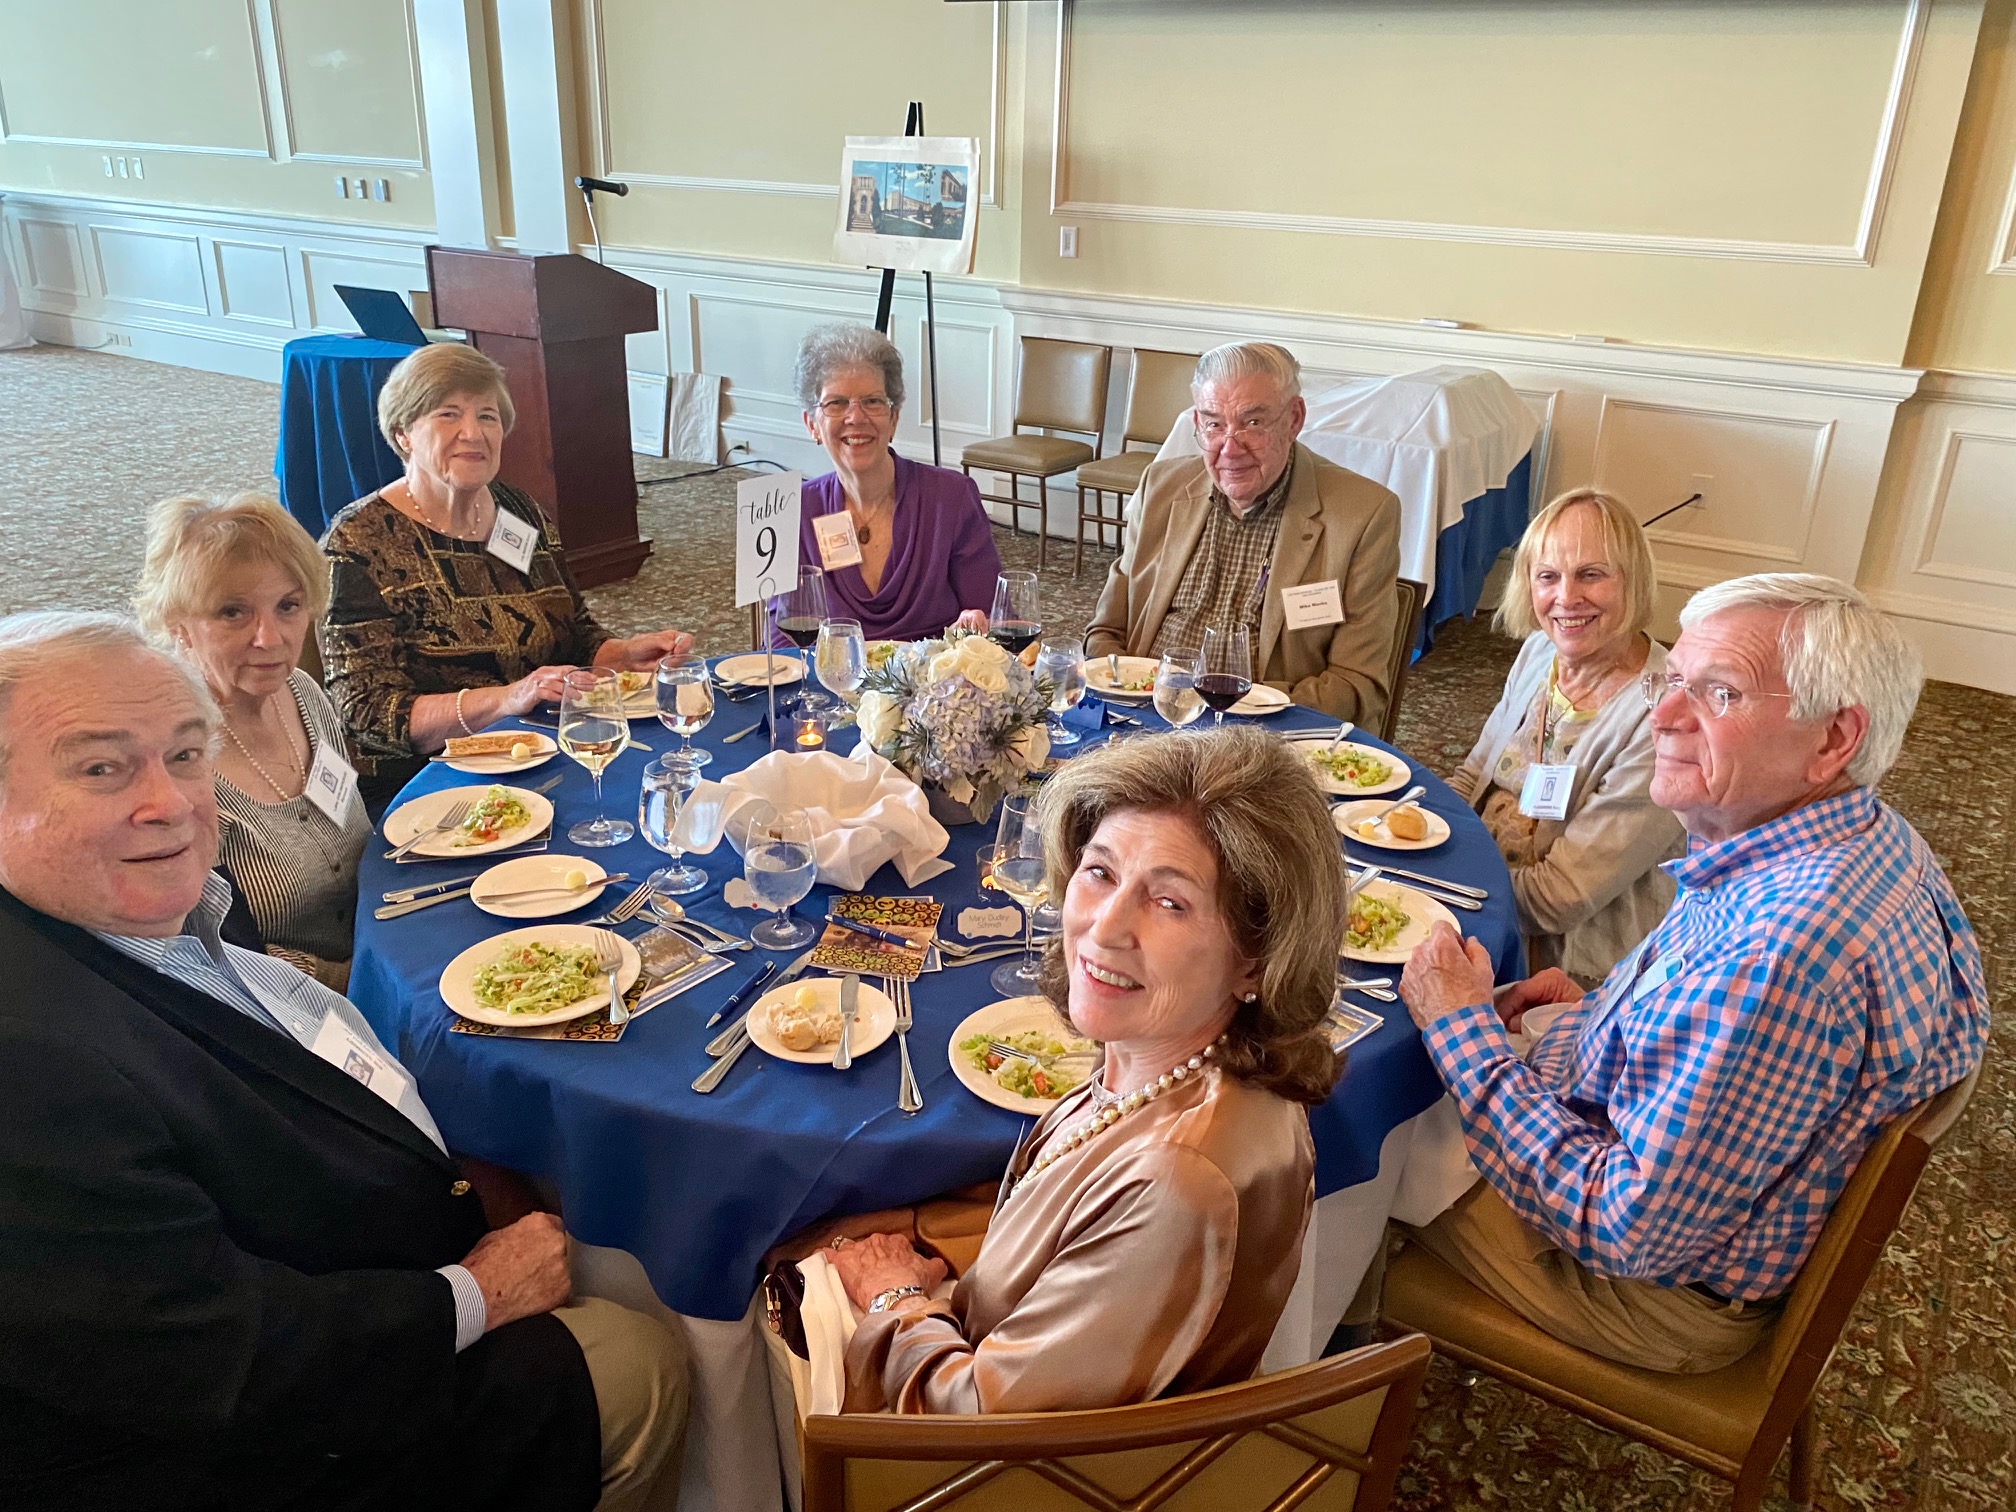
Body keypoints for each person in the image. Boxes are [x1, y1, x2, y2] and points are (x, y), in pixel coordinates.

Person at [0, 612, 688, 1511]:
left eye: (183, 755)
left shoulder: (151, 906)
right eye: (101, 767)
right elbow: (220, 1360)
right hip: (280, 1443)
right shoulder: (32, 1066)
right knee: (647, 1358)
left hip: (353, 1270)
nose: (167, 803)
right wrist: (474, 1293)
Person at [1398, 574, 1988, 1374]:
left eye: (1719, 694)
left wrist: (1461, 1032)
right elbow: (1719, 1042)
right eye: (1675, 681)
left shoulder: (1782, 957)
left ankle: (1308, 1396)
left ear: (1834, 739)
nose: (1664, 718)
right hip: (1695, 1192)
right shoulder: (1860, 836)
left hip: (1645, 1292)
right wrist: (1600, 1010)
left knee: (1331, 1138)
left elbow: (1623, 1225)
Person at [829, 727, 1344, 1412]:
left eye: (1170, 902)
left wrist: (893, 1300)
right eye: (1099, 872)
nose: (1103, 928)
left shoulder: (1179, 1179)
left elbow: (976, 1424)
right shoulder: (1188, 1063)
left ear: (1256, 958)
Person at [321, 343, 693, 803]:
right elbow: (368, 715)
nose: (473, 433)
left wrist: (623, 654)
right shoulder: (360, 541)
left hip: (550, 753)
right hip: (434, 785)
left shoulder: (521, 514)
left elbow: (575, 633)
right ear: (403, 435)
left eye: (488, 416)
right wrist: (507, 699)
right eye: (448, 414)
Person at [1085, 342, 1400, 724]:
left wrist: (1240, 710)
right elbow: (1106, 630)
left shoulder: (1361, 514)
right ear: (1198, 425)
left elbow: (1358, 686)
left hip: (1262, 734)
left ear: (1294, 418)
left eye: (1253, 423)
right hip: (1141, 714)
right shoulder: (1162, 488)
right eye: (1215, 424)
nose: (1230, 449)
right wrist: (1126, 691)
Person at [135, 493, 370, 990]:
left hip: (384, 948)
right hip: (298, 1014)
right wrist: (368, 983)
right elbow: (215, 950)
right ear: (178, 626)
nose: (270, 638)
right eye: (232, 612)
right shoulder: (172, 772)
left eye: (288, 606)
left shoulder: (304, 695)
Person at [1447, 489, 1683, 986]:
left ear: (1633, 582)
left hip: (1562, 963)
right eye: (1548, 576)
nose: (1566, 597)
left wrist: (1447, 887)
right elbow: (1474, 774)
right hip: (1479, 897)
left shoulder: (1664, 715)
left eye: (1591, 575)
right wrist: (1418, 837)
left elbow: (1561, 900)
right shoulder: (1540, 652)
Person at [793, 323, 1001, 641]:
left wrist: (976, 628)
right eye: (836, 403)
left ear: (894, 418)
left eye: (873, 401)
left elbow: (991, 617)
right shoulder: (799, 510)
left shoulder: (950, 498)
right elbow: (785, 643)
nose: (856, 417)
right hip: (833, 685)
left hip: (933, 685)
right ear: (813, 425)